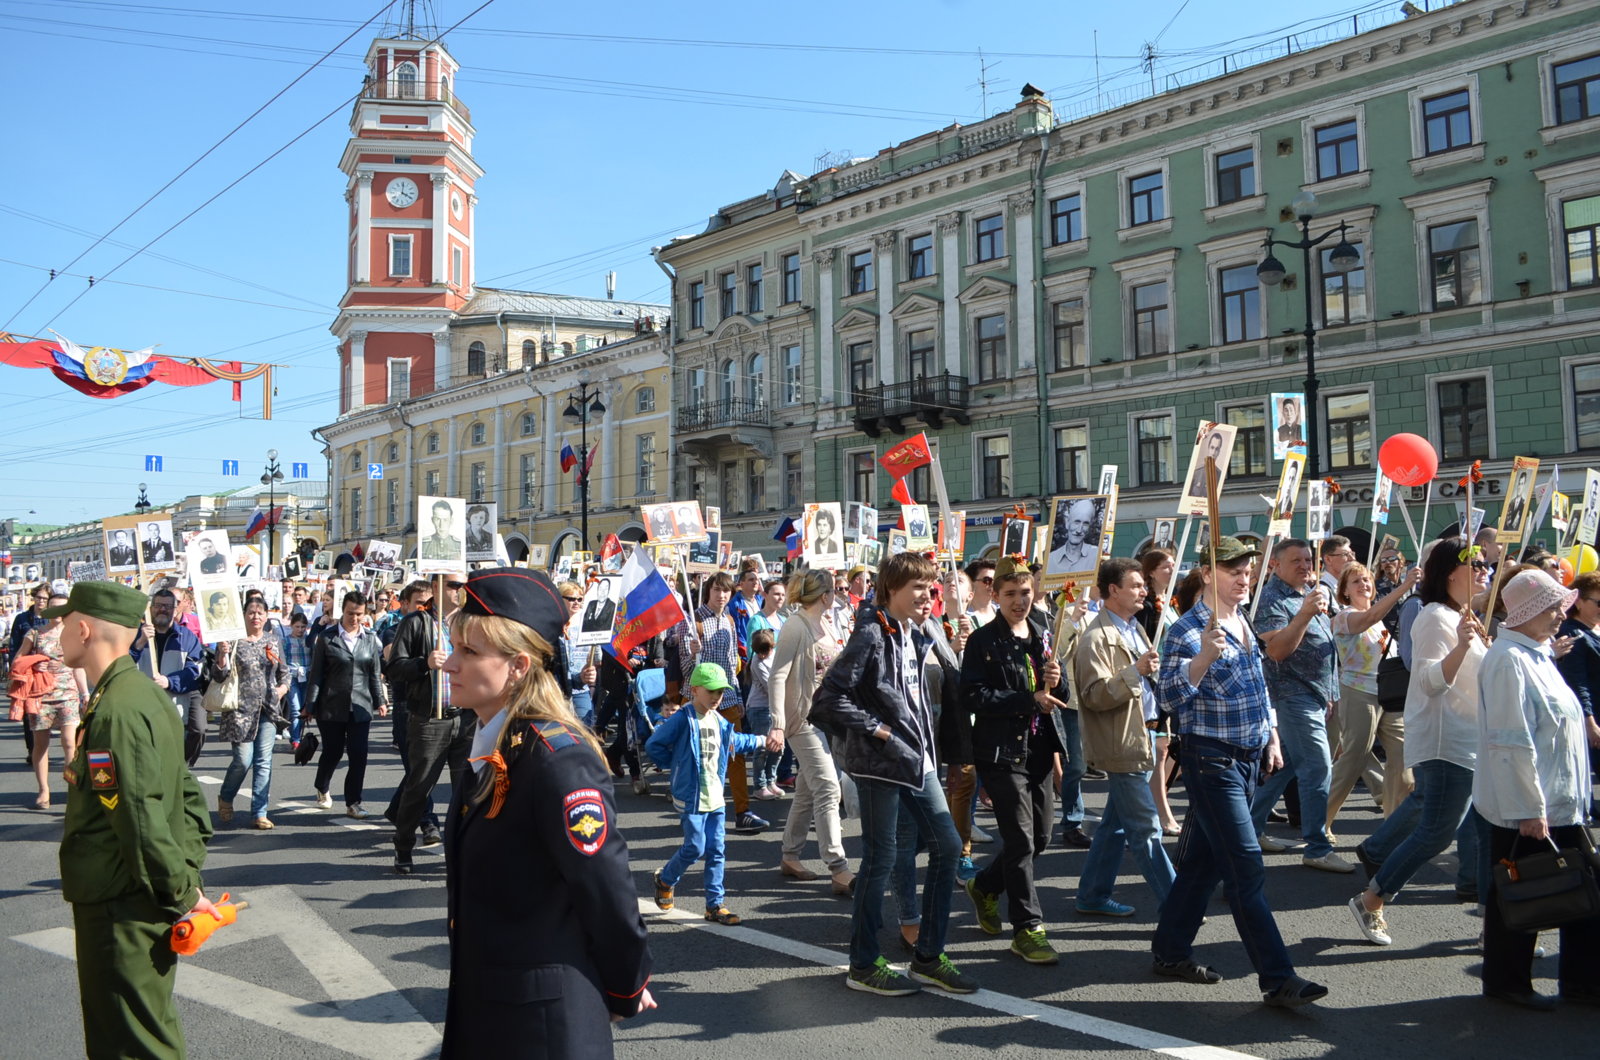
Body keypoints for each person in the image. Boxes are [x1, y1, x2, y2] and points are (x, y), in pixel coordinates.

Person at [439, 566, 655, 1056]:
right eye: (455, 648)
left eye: (469, 652)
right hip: (491, 1007)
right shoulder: (490, 740)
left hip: (542, 1025)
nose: (449, 665)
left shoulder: (556, 758)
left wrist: (625, 983)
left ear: (517, 666)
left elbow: (606, 888)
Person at [1151, 536, 1328, 1008]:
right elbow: (1166, 698)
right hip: (1211, 761)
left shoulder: (1244, 621)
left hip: (1249, 758)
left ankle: (1169, 951)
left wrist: (1271, 736)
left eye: (1248, 571)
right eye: (1233, 570)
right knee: (1245, 866)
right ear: (1208, 574)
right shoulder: (1187, 631)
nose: (1243, 577)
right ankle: (1277, 977)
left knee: (1203, 863)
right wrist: (1204, 657)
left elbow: (1258, 684)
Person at [53, 581, 215, 1058]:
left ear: (84, 629)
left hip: (119, 903)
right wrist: (187, 876)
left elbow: (138, 818)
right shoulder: (139, 695)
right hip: (138, 895)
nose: (56, 633)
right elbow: (187, 801)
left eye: (63, 624)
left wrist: (182, 892)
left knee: (130, 1043)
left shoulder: (115, 711)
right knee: (142, 1029)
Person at [812, 552, 979, 998]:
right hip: (881, 763)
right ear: (891, 592)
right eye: (918, 588)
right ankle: (863, 963)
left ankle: (927, 957)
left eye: (931, 588)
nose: (929, 595)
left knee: (946, 846)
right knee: (881, 858)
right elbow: (827, 699)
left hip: (917, 760)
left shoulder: (917, 630)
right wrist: (879, 730)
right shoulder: (870, 631)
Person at [1350, 538, 1492, 946]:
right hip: (1445, 741)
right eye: (1477, 563)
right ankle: (1372, 899)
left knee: (1484, 832)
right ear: (1451, 572)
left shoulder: (1462, 617)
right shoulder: (1435, 618)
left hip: (1472, 740)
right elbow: (1429, 681)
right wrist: (1464, 646)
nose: (1485, 570)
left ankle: (1493, 922)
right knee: (1435, 833)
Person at [1474, 569, 1600, 1009]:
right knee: (1522, 895)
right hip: (1532, 805)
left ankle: (1581, 983)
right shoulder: (1509, 660)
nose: (1560, 615)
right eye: (1552, 607)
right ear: (1526, 612)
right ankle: (1508, 982)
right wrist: (1528, 807)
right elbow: (1511, 740)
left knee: (1572, 892)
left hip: (1557, 799)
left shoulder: (1536, 653)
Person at [960, 557, 1070, 964]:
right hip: (1000, 752)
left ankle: (985, 886)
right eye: (1010, 594)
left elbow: (1062, 697)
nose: (1020, 601)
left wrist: (1057, 682)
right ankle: (1028, 928)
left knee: (1039, 839)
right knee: (1021, 840)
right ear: (995, 595)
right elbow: (972, 696)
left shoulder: (1044, 634)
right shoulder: (983, 641)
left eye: (1025, 593)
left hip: (1039, 752)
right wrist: (1028, 699)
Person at [1074, 558, 1176, 918]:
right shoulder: (1095, 638)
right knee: (1145, 828)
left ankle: (1092, 895)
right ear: (1113, 590)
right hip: (1122, 743)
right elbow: (1094, 695)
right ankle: (1179, 904)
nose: (1143, 591)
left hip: (1143, 735)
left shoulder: (1134, 627)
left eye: (1143, 585)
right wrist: (1134, 672)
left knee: (1115, 826)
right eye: (1135, 585)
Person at [1249, 539, 1350, 872]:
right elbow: (1277, 650)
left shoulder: (1309, 593)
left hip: (1315, 695)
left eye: (1308, 560)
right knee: (1318, 768)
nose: (1306, 566)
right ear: (1276, 565)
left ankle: (1251, 827)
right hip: (1291, 695)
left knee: (1286, 766)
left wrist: (1330, 691)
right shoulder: (1271, 599)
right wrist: (1305, 614)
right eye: (1297, 561)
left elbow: (1327, 645)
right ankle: (1317, 847)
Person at [648, 663, 766, 925]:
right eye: (711, 691)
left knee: (717, 850)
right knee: (695, 847)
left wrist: (762, 740)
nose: (716, 697)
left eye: (720, 692)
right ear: (694, 690)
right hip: (691, 795)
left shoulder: (720, 720)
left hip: (715, 797)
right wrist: (674, 764)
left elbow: (736, 741)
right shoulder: (682, 718)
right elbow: (654, 744)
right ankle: (666, 878)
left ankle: (715, 905)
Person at [766, 569, 853, 892]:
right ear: (825, 595)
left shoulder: (829, 623)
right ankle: (838, 867)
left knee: (806, 790)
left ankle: (790, 855)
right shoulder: (795, 625)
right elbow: (777, 675)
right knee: (829, 788)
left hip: (827, 720)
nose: (838, 596)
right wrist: (776, 722)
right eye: (834, 591)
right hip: (801, 720)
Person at [387, 580, 473, 872]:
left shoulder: (469, 622)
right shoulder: (416, 622)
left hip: (466, 718)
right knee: (420, 786)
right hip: (429, 719)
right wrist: (424, 663)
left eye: (462, 584)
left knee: (467, 789)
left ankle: (463, 848)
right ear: (437, 587)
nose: (459, 589)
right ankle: (403, 846)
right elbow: (395, 668)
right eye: (453, 585)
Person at [1326, 562, 1418, 835]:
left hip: (1388, 695)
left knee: (1403, 757)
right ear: (1344, 591)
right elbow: (1363, 621)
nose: (1363, 584)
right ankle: (1319, 822)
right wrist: (1403, 587)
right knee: (1355, 758)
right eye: (1355, 581)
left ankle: (1394, 824)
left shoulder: (1378, 620)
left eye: (1366, 580)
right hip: (1358, 692)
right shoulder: (1344, 616)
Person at [672, 573, 765, 831]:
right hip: (699, 699)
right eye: (716, 590)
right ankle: (694, 808)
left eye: (725, 591)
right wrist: (692, 653)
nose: (721, 595)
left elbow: (732, 661)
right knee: (699, 756)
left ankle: (742, 811)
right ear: (708, 591)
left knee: (735, 755)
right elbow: (685, 668)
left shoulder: (730, 620)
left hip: (726, 698)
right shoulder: (692, 621)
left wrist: (736, 695)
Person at [308, 589, 387, 818]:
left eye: (359, 614)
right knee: (332, 751)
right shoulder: (327, 637)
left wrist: (380, 701)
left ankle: (354, 802)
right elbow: (317, 675)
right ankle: (322, 786)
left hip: (361, 705)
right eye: (351, 613)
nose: (355, 618)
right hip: (331, 705)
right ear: (342, 611)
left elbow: (374, 672)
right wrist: (310, 706)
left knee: (358, 754)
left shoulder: (370, 638)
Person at [212, 598, 289, 829]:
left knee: (264, 762)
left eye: (260, 612)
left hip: (268, 709)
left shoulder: (273, 641)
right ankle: (226, 796)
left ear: (266, 616)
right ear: (243, 615)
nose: (256, 616)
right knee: (242, 761)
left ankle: (259, 812)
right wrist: (222, 655)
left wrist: (282, 689)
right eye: (251, 612)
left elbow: (284, 672)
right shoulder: (233, 642)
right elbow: (218, 676)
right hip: (240, 711)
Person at [17, 591, 88, 809]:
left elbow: (80, 667)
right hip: (40, 695)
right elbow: (19, 660)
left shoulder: (74, 634)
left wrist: (85, 694)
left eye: (63, 607)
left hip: (67, 693)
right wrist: (36, 663)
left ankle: (72, 789)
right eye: (54, 606)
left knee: (70, 742)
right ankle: (43, 790)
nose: (58, 612)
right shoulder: (35, 633)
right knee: (41, 744)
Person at [129, 588, 208, 767]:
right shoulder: (136, 635)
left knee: (173, 758)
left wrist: (169, 681)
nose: (162, 610)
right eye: (158, 606)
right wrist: (140, 643)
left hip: (175, 707)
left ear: (175, 609)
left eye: (167, 606)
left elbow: (196, 670)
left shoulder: (186, 637)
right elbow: (122, 664)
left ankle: (182, 770)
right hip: (143, 708)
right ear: (150, 609)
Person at [1136, 549, 1183, 835]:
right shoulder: (1148, 607)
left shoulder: (1170, 602)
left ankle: (1153, 804)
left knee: (1165, 749)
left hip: (1170, 680)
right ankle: (1157, 809)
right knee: (1158, 748)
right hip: (1153, 682)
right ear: (1151, 571)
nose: (1172, 569)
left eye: (1174, 565)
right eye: (1167, 566)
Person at [1554, 571, 1600, 818]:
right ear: (1579, 601)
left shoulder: (1594, 628)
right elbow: (1576, 681)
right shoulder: (1572, 633)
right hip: (1593, 717)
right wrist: (1589, 721)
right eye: (1598, 602)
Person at [560, 581, 600, 728]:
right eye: (571, 599)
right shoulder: (552, 626)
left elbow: (596, 659)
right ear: (560, 599)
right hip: (558, 691)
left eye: (579, 599)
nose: (576, 602)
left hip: (580, 688)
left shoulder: (588, 625)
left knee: (586, 730)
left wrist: (592, 678)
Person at [1049, 498, 1100, 573]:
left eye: (1085, 524)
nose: (1079, 530)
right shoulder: (1051, 558)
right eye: (1076, 522)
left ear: (1089, 527)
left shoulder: (1096, 555)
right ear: (1067, 523)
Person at [1186, 430, 1228, 499]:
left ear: (1219, 452)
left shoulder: (1220, 475)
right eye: (1212, 447)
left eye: (1217, 449)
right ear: (1208, 447)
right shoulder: (1195, 473)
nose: (1213, 452)